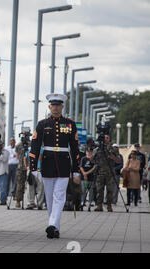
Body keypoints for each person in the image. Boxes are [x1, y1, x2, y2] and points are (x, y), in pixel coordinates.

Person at [29, 93, 81, 239]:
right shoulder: (42, 124)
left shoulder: (70, 124)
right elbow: (35, 146)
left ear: (62, 106)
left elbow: (75, 148)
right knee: (50, 197)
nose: (56, 108)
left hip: (64, 163)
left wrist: (76, 170)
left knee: (59, 195)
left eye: (58, 105)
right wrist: (33, 168)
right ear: (49, 106)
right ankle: (55, 227)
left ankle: (51, 224)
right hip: (47, 162)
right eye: (53, 105)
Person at [93, 135, 121, 212]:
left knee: (110, 190)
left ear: (110, 139)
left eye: (107, 138)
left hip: (110, 173)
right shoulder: (97, 149)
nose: (105, 139)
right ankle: (99, 205)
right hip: (100, 173)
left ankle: (109, 205)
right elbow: (92, 161)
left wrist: (113, 157)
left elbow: (119, 161)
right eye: (104, 138)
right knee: (99, 190)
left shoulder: (114, 149)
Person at [14, 137, 29, 208]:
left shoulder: (18, 145)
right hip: (27, 166)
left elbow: (16, 156)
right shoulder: (30, 143)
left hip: (22, 166)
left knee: (20, 184)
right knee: (23, 184)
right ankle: (19, 201)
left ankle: (18, 201)